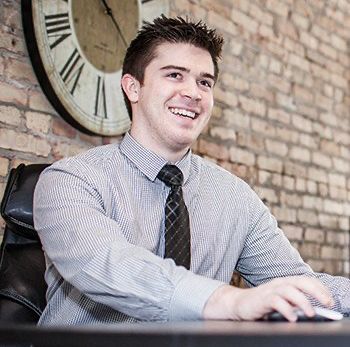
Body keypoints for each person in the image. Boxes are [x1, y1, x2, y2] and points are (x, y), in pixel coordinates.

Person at [33, 15, 350, 325]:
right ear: (133, 88)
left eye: (204, 82)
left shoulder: (235, 197)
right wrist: (230, 301)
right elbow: (107, 263)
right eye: (174, 75)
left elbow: (296, 284)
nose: (194, 93)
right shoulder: (70, 181)